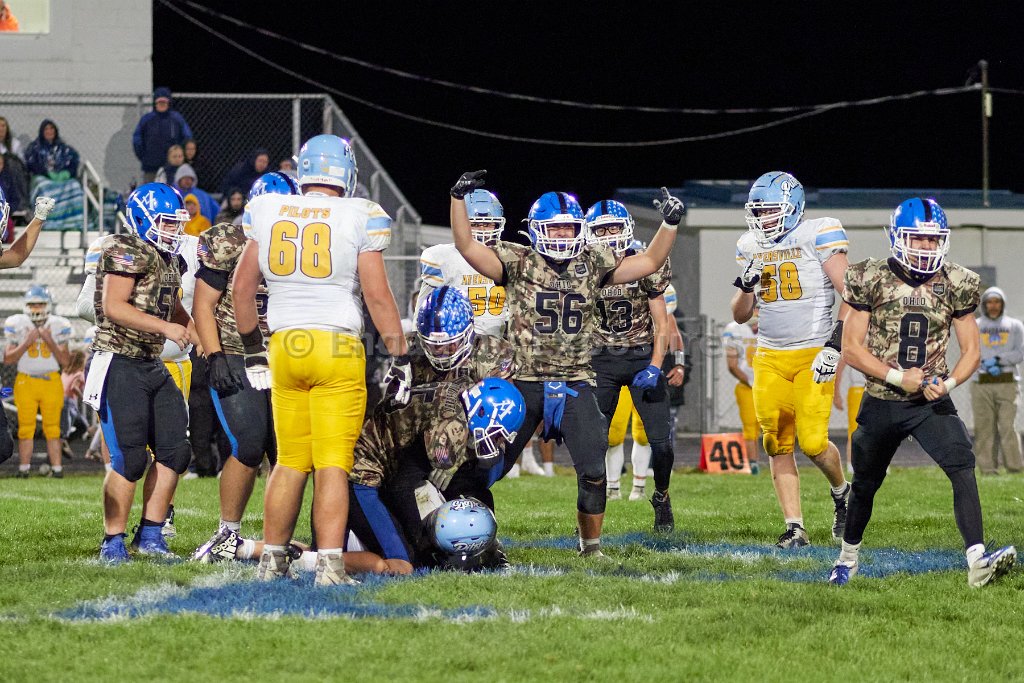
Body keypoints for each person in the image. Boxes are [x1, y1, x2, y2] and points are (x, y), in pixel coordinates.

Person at [450, 170, 681, 557]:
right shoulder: (518, 259)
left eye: (569, 228)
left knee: (594, 470)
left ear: (580, 230)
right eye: (554, 228)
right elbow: (466, 245)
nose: (561, 235)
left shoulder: (592, 261)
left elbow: (650, 260)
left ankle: (590, 547)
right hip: (525, 380)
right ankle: (464, 530)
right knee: (489, 465)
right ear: (537, 229)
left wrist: (669, 224)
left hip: (576, 381)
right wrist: (458, 199)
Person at [232, 134, 410, 585]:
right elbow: (377, 296)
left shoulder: (269, 207)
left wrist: (252, 349)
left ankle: (273, 560)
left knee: (290, 459)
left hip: (284, 345)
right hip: (335, 346)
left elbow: (242, 289)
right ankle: (330, 565)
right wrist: (400, 354)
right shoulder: (360, 213)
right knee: (333, 462)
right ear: (346, 172)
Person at [829, 197, 1017, 587]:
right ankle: (847, 558)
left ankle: (977, 560)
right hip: (882, 399)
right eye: (918, 238)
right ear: (898, 237)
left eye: (933, 240)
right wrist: (899, 378)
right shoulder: (870, 276)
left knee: (961, 464)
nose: (927, 247)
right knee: (865, 484)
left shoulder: (957, 282)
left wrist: (947, 384)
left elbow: (972, 351)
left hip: (929, 401)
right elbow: (851, 349)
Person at [731, 171, 850, 548]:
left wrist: (835, 343)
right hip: (769, 355)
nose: (763, 217)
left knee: (813, 442)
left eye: (770, 209)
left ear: (793, 207)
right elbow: (740, 315)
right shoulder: (750, 244)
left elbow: (851, 293)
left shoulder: (819, 232)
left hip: (812, 352)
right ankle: (795, 527)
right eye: (759, 210)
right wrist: (746, 286)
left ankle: (842, 492)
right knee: (775, 442)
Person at [190, 172, 299, 564]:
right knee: (249, 444)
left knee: (286, 453)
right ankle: (227, 533)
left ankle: (276, 539)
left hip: (286, 355)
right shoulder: (229, 241)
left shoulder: (303, 244)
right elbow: (203, 305)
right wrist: (214, 355)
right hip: (236, 352)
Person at [86, 183, 194, 563]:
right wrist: (166, 329)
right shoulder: (126, 248)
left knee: (176, 451)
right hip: (117, 359)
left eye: (175, 222)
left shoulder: (169, 259)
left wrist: (202, 340)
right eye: (166, 221)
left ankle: (150, 535)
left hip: (149, 361)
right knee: (130, 459)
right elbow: (114, 306)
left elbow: (173, 306)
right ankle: (112, 541)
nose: (173, 229)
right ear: (143, 219)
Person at [586, 202, 676, 531]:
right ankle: (589, 508)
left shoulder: (645, 261)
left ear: (626, 228)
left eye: (614, 228)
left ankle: (662, 496)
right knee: (592, 443)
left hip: (641, 355)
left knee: (661, 443)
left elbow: (663, 324)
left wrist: (655, 365)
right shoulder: (582, 265)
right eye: (601, 229)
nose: (608, 235)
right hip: (601, 358)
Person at [5, 285, 72, 478]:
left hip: (51, 380)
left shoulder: (59, 324)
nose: (36, 308)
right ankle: (23, 469)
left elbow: (65, 361)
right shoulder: (17, 323)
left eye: (40, 304)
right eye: (32, 304)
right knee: (25, 428)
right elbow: (8, 359)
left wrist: (49, 340)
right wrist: (27, 342)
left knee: (53, 428)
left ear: (48, 305)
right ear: (26, 306)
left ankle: (57, 470)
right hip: (26, 380)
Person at [971, 287, 1024, 475]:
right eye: (990, 302)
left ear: (1002, 304)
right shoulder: (975, 325)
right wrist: (983, 364)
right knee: (984, 427)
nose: (993, 306)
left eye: (997, 302)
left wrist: (999, 360)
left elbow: (1020, 352)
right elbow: (970, 351)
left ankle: (1015, 467)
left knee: (1008, 426)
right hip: (981, 382)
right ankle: (988, 469)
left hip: (1007, 382)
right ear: (984, 305)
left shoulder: (1015, 325)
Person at [723, 306, 761, 474]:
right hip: (747, 386)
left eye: (759, 308)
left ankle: (774, 463)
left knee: (773, 426)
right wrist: (750, 381)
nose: (757, 312)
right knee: (751, 427)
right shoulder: (734, 329)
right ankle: (753, 466)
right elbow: (732, 365)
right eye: (755, 308)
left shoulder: (772, 326)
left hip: (769, 384)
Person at [133, 88, 193, 183]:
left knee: (172, 190)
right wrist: (144, 158)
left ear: (169, 103)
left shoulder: (176, 118)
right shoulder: (147, 119)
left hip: (173, 168)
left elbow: (187, 138)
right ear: (155, 103)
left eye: (164, 102)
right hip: (151, 167)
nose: (162, 104)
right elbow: (137, 140)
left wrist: (180, 157)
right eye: (159, 102)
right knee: (152, 190)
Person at [832, 359, 866, 474]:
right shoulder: (851, 347)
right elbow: (839, 368)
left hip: (877, 389)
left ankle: (881, 464)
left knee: (881, 429)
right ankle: (852, 465)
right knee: (855, 429)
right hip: (858, 388)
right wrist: (836, 394)